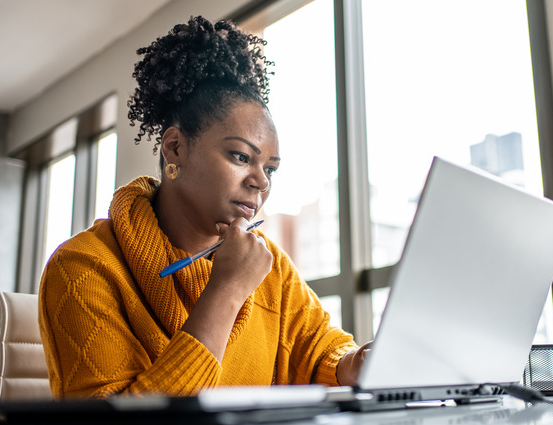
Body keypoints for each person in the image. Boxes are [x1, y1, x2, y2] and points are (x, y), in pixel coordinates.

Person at [38, 16, 369, 399]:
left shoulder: (270, 266)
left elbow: (319, 349)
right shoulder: (83, 267)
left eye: (271, 169)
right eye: (241, 156)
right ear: (175, 147)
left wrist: (353, 362)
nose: (261, 181)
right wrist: (227, 290)